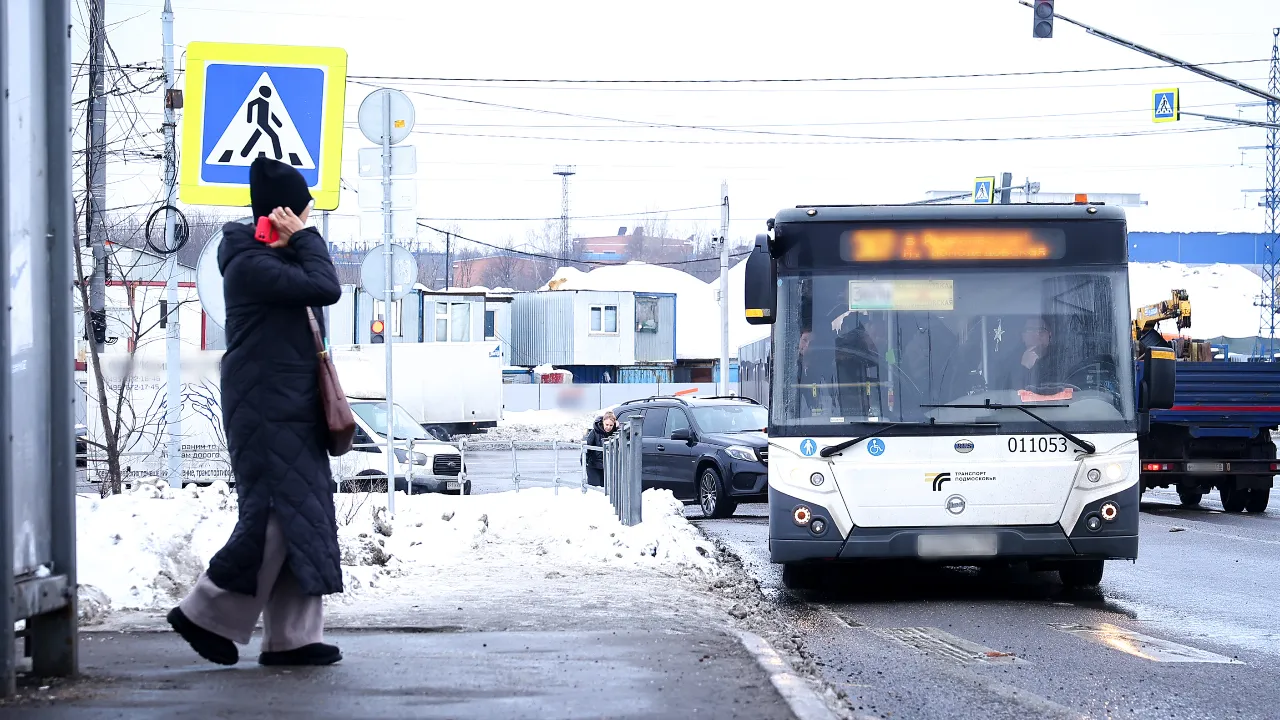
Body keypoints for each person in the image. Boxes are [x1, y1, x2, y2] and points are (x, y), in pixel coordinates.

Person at [167, 157, 343, 667]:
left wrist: (296, 243)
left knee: (301, 517)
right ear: (284, 213)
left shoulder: (276, 262)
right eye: (302, 214)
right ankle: (203, 612)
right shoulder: (248, 265)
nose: (307, 222)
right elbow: (326, 286)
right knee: (271, 516)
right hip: (266, 407)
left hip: (292, 407)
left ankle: (294, 638)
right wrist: (306, 239)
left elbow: (314, 289)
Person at [999, 316, 1057, 390]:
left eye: (1042, 330)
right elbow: (1007, 394)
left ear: (1050, 334)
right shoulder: (1009, 363)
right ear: (1023, 336)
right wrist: (1024, 367)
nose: (1037, 335)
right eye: (1030, 330)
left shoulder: (1062, 360)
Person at [584, 411, 619, 487]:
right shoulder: (594, 432)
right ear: (603, 422)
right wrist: (584, 462)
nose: (608, 427)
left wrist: (618, 428)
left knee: (606, 490)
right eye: (607, 424)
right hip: (594, 466)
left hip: (608, 466)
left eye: (611, 425)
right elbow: (587, 448)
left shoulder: (615, 433)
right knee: (595, 490)